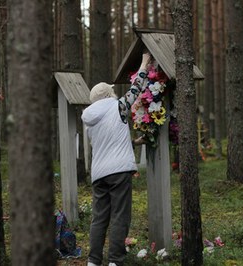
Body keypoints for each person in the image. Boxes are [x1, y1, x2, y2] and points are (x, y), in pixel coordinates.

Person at [82, 52, 151, 266]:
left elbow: (107, 143)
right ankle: (115, 261)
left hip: (99, 174)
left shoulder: (88, 119)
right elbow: (137, 87)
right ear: (108, 95)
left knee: (99, 218)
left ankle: (93, 261)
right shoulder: (118, 106)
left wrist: (135, 143)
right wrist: (145, 62)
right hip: (119, 172)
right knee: (120, 216)